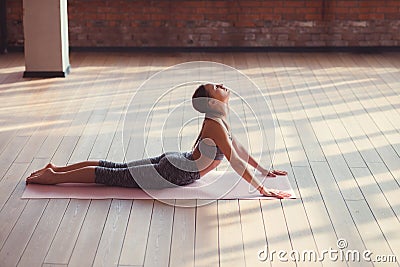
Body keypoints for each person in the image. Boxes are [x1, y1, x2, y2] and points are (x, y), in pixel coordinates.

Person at [26, 84, 290, 199]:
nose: (223, 85)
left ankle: (57, 170)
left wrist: (263, 170)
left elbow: (239, 149)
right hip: (175, 170)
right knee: (111, 174)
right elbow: (233, 159)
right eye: (217, 87)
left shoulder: (218, 120)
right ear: (212, 101)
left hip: (177, 162)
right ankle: (53, 176)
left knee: (115, 167)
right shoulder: (216, 123)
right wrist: (261, 189)